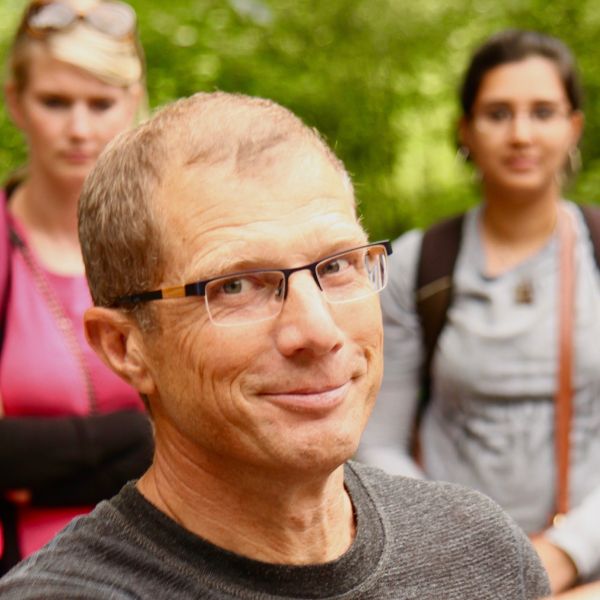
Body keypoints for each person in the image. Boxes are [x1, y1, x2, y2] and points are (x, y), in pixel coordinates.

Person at [0, 91, 550, 598]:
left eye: (336, 266)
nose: (318, 331)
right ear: (125, 346)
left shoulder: (482, 556)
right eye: (236, 286)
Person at [358, 29, 600, 598]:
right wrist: (458, 552)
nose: (521, 134)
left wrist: (564, 555)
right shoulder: (417, 265)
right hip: (447, 573)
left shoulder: (597, 253)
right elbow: (377, 442)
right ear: (465, 129)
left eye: (543, 112)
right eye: (497, 113)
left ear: (574, 127)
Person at [0, 0, 153, 574]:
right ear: (16, 102)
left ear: (133, 102)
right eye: (55, 102)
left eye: (101, 103)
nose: (79, 129)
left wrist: (32, 467)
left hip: (170, 562)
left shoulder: (170, 243)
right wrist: (140, 440)